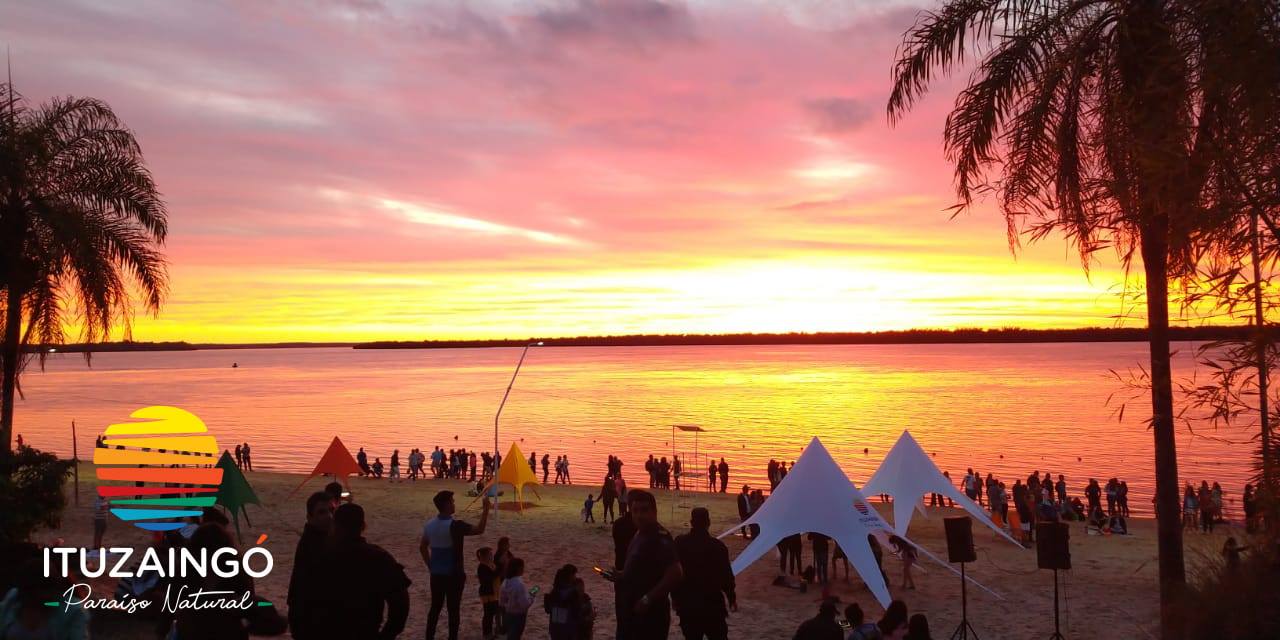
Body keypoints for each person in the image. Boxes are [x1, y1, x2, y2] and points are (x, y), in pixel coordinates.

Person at [311, 503, 410, 639]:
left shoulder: (323, 556)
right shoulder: (379, 558)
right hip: (366, 632)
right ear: (363, 526)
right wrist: (387, 635)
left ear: (335, 526)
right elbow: (400, 604)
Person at [421, 490, 491, 640]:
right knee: (453, 610)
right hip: (454, 574)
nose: (454, 504)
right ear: (446, 505)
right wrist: (486, 510)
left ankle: (429, 636)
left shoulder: (430, 525)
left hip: (437, 574)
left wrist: (430, 565)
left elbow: (423, 547)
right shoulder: (456, 526)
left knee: (435, 608)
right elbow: (480, 529)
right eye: (452, 501)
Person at [617, 489, 683, 640]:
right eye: (635, 511)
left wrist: (648, 598)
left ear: (654, 512)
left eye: (644, 510)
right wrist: (621, 575)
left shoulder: (660, 537)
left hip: (651, 614)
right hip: (632, 608)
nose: (639, 515)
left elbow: (676, 573)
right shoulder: (640, 533)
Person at [673, 507, 736, 640]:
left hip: (688, 605)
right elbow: (726, 576)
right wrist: (731, 596)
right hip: (712, 605)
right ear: (708, 522)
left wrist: (675, 599)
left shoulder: (680, 543)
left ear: (691, 522)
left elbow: (675, 573)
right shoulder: (718, 546)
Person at [288, 491, 334, 639]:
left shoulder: (323, 538)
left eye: (332, 511)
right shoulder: (315, 543)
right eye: (322, 512)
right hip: (309, 618)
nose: (329, 516)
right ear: (310, 517)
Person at [545, 564, 588, 640]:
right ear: (571, 576)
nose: (575, 577)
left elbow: (548, 609)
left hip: (555, 628)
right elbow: (577, 613)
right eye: (574, 575)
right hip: (568, 629)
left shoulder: (554, 591)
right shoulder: (573, 593)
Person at [500, 557, 534, 640]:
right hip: (518, 616)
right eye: (523, 567)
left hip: (507, 614)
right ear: (519, 568)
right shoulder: (519, 585)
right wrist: (532, 596)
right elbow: (525, 605)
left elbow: (502, 601)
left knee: (510, 636)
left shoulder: (505, 581)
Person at [476, 547, 501, 640]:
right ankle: (487, 634)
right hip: (487, 593)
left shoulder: (490, 564)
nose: (491, 556)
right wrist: (497, 572)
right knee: (488, 615)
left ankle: (489, 633)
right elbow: (487, 579)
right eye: (489, 554)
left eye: (491, 554)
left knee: (492, 613)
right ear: (484, 556)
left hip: (493, 592)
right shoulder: (482, 566)